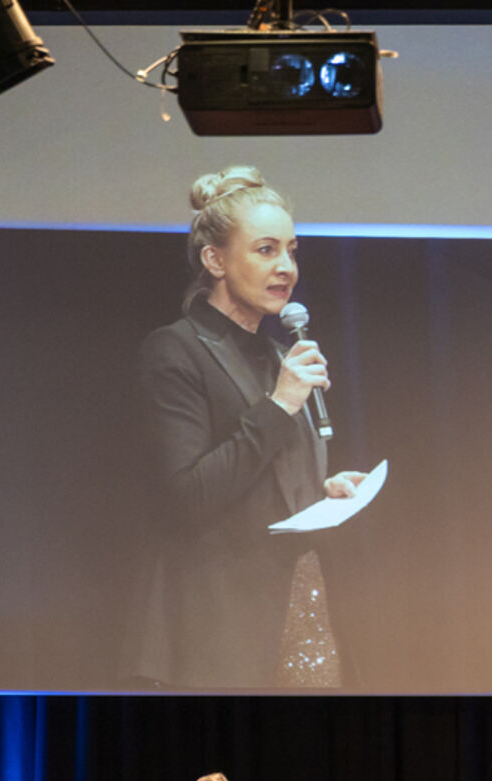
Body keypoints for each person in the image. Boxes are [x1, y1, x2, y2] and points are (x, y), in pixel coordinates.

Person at [120, 166, 369, 689]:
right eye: (265, 250)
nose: (286, 268)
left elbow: (264, 481)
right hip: (219, 626)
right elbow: (188, 495)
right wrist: (280, 404)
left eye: (292, 251)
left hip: (300, 612)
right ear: (214, 260)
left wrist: (322, 491)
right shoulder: (176, 351)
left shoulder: (281, 356)